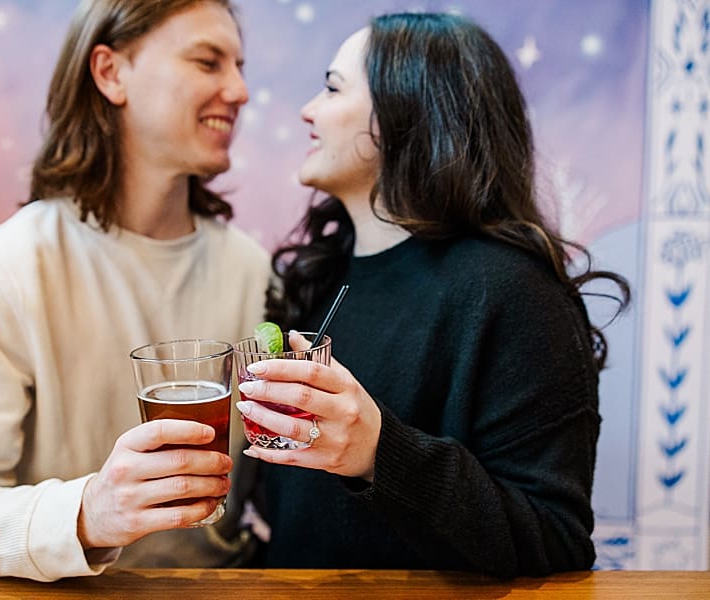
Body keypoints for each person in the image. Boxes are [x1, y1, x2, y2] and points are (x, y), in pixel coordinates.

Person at [0, 0, 270, 581]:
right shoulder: (6, 272)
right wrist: (89, 512)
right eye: (208, 62)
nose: (240, 91)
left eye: (239, 65)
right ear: (111, 73)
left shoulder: (253, 269)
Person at [235, 13, 630, 577]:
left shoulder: (513, 291)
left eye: (331, 88)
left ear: (406, 114)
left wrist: (378, 451)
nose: (307, 110)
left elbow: (556, 539)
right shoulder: (319, 278)